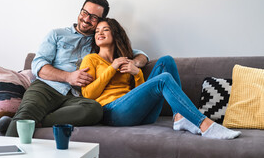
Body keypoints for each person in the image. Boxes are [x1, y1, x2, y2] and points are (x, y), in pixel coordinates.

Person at [0, 0, 148, 137]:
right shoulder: (57, 34)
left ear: (101, 21)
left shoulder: (100, 40)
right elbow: (38, 65)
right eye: (84, 12)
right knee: (27, 112)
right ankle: (6, 157)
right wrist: (68, 77)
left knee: (95, 110)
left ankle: (32, 123)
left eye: (94, 17)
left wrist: (134, 63)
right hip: (47, 88)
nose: (86, 19)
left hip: (76, 98)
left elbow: (140, 55)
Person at [80, 18, 241, 140]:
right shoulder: (91, 59)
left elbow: (141, 94)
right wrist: (112, 68)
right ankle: (204, 124)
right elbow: (88, 95)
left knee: (166, 61)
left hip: (138, 114)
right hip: (112, 113)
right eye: (97, 31)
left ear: (114, 34)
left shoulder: (126, 60)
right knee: (163, 79)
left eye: (105, 29)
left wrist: (137, 74)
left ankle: (179, 117)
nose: (99, 33)